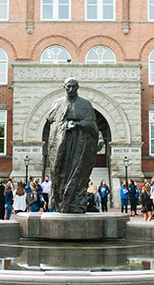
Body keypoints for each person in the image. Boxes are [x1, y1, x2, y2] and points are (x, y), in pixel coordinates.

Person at [47, 78, 99, 213]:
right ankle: (61, 201)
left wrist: (78, 124)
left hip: (79, 145)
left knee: (78, 171)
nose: (70, 90)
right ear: (64, 87)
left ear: (78, 87)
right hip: (61, 144)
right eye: (68, 87)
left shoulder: (85, 104)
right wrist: (64, 126)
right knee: (61, 173)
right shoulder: (57, 104)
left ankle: (76, 201)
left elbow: (92, 125)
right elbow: (51, 122)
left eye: (73, 87)